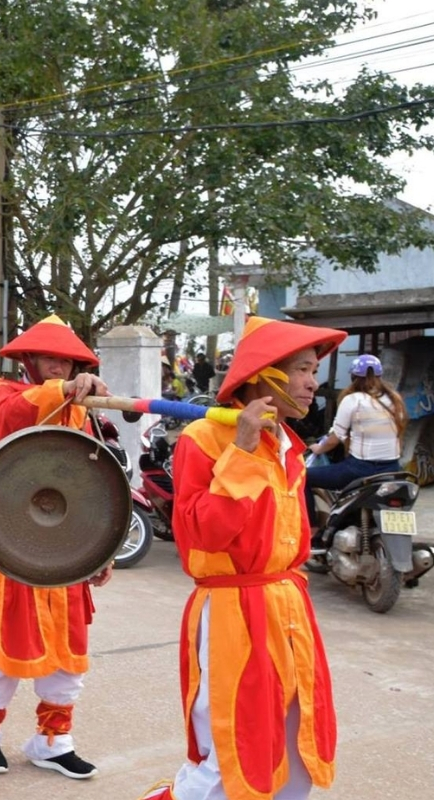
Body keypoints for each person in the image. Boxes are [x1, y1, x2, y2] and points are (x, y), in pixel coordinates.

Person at [140, 316, 343, 800]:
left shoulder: (291, 444)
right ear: (265, 374)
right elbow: (203, 534)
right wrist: (244, 451)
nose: (313, 382)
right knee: (232, 750)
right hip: (234, 609)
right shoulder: (203, 439)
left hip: (288, 605)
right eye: (301, 370)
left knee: (295, 743)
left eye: (314, 370)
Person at [0, 314, 112, 780]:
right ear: (28, 359)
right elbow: (17, 416)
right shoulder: (5, 396)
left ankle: (53, 741)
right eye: (50, 357)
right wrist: (64, 393)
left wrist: (98, 551)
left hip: (64, 551)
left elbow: (88, 485)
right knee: (2, 651)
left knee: (68, 653)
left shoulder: (79, 411)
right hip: (9, 545)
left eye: (68, 361)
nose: (59, 367)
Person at [305, 354, 406, 531]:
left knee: (303, 477)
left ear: (353, 377)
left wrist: (317, 448)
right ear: (379, 376)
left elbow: (334, 439)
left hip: (360, 469)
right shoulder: (394, 399)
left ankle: (311, 529)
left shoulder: (352, 400)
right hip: (392, 469)